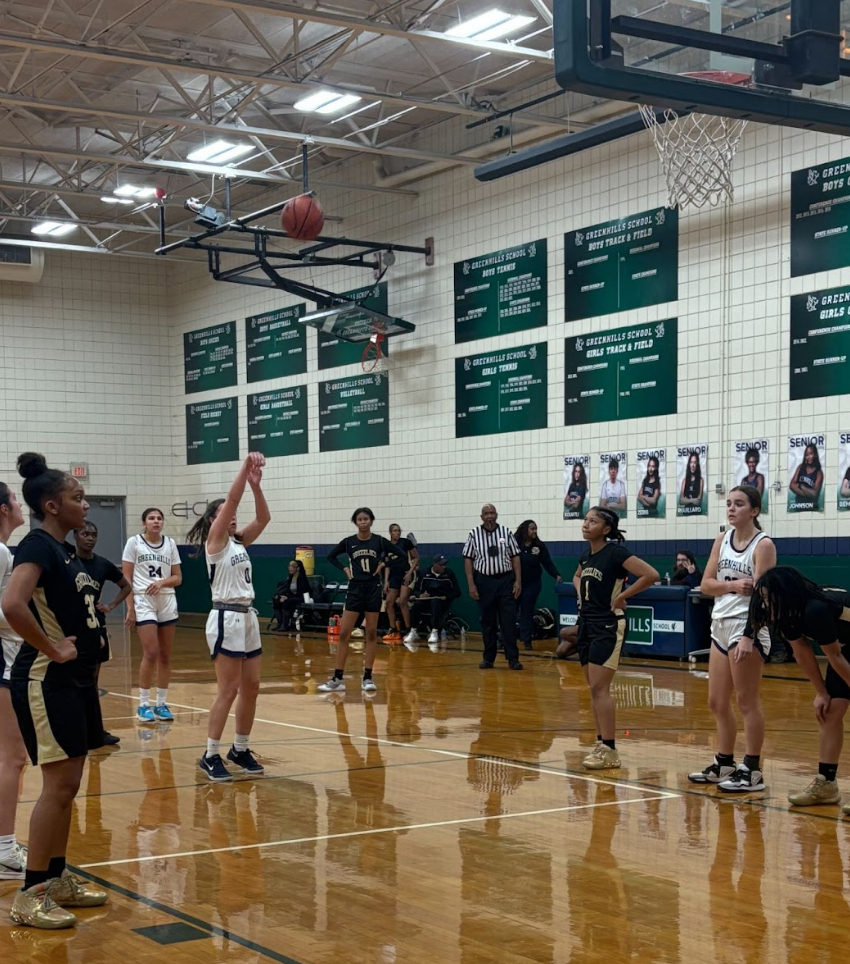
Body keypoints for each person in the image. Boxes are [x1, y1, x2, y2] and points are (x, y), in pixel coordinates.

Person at [3, 452, 108, 928]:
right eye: (77, 497)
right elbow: (12, 603)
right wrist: (51, 647)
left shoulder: (64, 548)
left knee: (70, 786)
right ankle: (31, 895)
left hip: (76, 682)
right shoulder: (38, 546)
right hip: (47, 680)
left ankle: (58, 877)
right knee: (57, 786)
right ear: (50, 505)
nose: (84, 506)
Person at [187, 452, 270, 782]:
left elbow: (263, 519)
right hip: (225, 618)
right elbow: (232, 499)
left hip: (248, 618)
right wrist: (242, 470)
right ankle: (210, 754)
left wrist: (256, 487)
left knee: (252, 687)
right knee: (228, 689)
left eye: (234, 514)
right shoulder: (216, 542)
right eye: (226, 513)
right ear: (214, 521)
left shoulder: (239, 541)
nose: (234, 516)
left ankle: (240, 747)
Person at [689, 486, 776, 793]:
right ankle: (725, 762)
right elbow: (706, 585)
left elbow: (763, 598)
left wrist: (751, 637)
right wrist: (735, 584)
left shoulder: (763, 545)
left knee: (747, 701)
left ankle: (752, 770)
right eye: (729, 503)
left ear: (754, 510)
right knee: (716, 701)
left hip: (746, 627)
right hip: (720, 625)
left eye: (739, 504)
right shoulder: (722, 539)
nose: (731, 508)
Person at [749, 567, 850, 813]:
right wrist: (821, 692)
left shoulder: (815, 609)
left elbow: (834, 655)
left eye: (768, 598)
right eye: (761, 598)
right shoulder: (787, 616)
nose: (764, 604)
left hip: (842, 650)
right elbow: (802, 653)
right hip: (846, 649)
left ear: (785, 594)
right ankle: (826, 785)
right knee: (830, 712)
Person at [573, 508, 658, 769]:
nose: (586, 524)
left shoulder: (615, 553)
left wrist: (623, 597)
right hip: (587, 623)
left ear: (606, 529)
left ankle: (610, 750)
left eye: (593, 521)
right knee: (594, 689)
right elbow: (577, 577)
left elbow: (651, 575)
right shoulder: (587, 555)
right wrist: (579, 594)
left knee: (600, 689)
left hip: (608, 625)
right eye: (586, 520)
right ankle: (601, 744)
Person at [319, 509, 405, 694]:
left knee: (371, 633)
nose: (363, 522)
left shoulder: (380, 541)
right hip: (355, 589)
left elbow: (402, 556)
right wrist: (345, 569)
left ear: (371, 521)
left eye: (366, 519)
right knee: (344, 633)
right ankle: (338, 678)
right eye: (360, 519)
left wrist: (384, 564)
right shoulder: (349, 542)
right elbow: (331, 556)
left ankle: (367, 677)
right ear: (355, 522)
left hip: (373, 588)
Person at [122, 508, 182, 723]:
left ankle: (161, 703)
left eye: (159, 518)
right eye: (151, 518)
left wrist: (162, 582)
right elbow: (125, 578)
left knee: (166, 654)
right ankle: (143, 704)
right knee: (151, 652)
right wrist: (130, 608)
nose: (156, 521)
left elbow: (178, 577)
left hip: (166, 598)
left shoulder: (170, 544)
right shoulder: (134, 543)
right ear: (144, 523)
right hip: (142, 599)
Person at [74, 521, 131, 746]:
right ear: (75, 535)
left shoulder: (102, 564)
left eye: (94, 534)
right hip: (73, 628)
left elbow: (126, 586)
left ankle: (96, 730)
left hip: (96, 625)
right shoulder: (68, 561)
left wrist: (110, 605)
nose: (90, 538)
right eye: (85, 533)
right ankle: (79, 729)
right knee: (76, 680)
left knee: (93, 681)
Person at [0, 483, 28, 881]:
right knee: (13, 757)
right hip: (4, 664)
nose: (20, 504)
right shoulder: (1, 552)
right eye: (15, 499)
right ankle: (5, 851)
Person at [462, 504, 523, 671]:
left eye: (492, 513)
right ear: (481, 517)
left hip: (505, 581)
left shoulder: (506, 531)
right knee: (488, 622)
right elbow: (468, 559)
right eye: (486, 513)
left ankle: (513, 659)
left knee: (508, 621)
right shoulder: (474, 534)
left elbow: (515, 557)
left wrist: (518, 581)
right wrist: (471, 584)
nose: (490, 516)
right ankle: (488, 658)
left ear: (496, 515)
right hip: (484, 582)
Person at [514, 520, 561, 651]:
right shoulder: (515, 544)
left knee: (527, 611)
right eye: (532, 529)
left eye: (536, 529)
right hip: (515, 583)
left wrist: (556, 574)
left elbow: (547, 562)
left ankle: (527, 640)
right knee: (511, 611)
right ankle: (504, 639)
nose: (534, 531)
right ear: (525, 530)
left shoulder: (539, 546)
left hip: (532, 584)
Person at [412, 555, 461, 648]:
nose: (444, 567)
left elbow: (457, 592)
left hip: (442, 602)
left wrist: (446, 596)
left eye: (444, 565)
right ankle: (413, 630)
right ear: (434, 565)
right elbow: (416, 589)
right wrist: (420, 595)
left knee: (436, 603)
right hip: (427, 600)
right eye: (441, 565)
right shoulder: (424, 573)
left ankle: (435, 631)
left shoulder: (449, 574)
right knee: (416, 605)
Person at [382, 524, 419, 646]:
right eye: (394, 531)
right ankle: (394, 630)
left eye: (399, 531)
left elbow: (416, 558)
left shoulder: (406, 543)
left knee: (403, 601)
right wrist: (386, 581)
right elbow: (387, 565)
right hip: (394, 577)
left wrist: (410, 573)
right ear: (390, 533)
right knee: (388, 603)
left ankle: (410, 630)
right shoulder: (387, 547)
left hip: (406, 574)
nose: (397, 533)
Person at [271, 560, 310, 633]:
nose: (290, 568)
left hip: (301, 598)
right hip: (292, 597)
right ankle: (280, 623)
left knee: (286, 602)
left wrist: (288, 597)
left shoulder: (302, 578)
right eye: (289, 566)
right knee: (276, 600)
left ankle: (285, 625)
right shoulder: (290, 577)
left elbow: (301, 592)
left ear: (297, 568)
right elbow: (287, 590)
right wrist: (284, 596)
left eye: (292, 566)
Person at [789, 443, 824, 507]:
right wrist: (807, 494)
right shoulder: (800, 467)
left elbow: (814, 494)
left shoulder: (819, 473)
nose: (809, 457)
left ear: (815, 454)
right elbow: (792, 485)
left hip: (812, 508)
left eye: (811, 454)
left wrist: (800, 486)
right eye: (807, 455)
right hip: (798, 506)